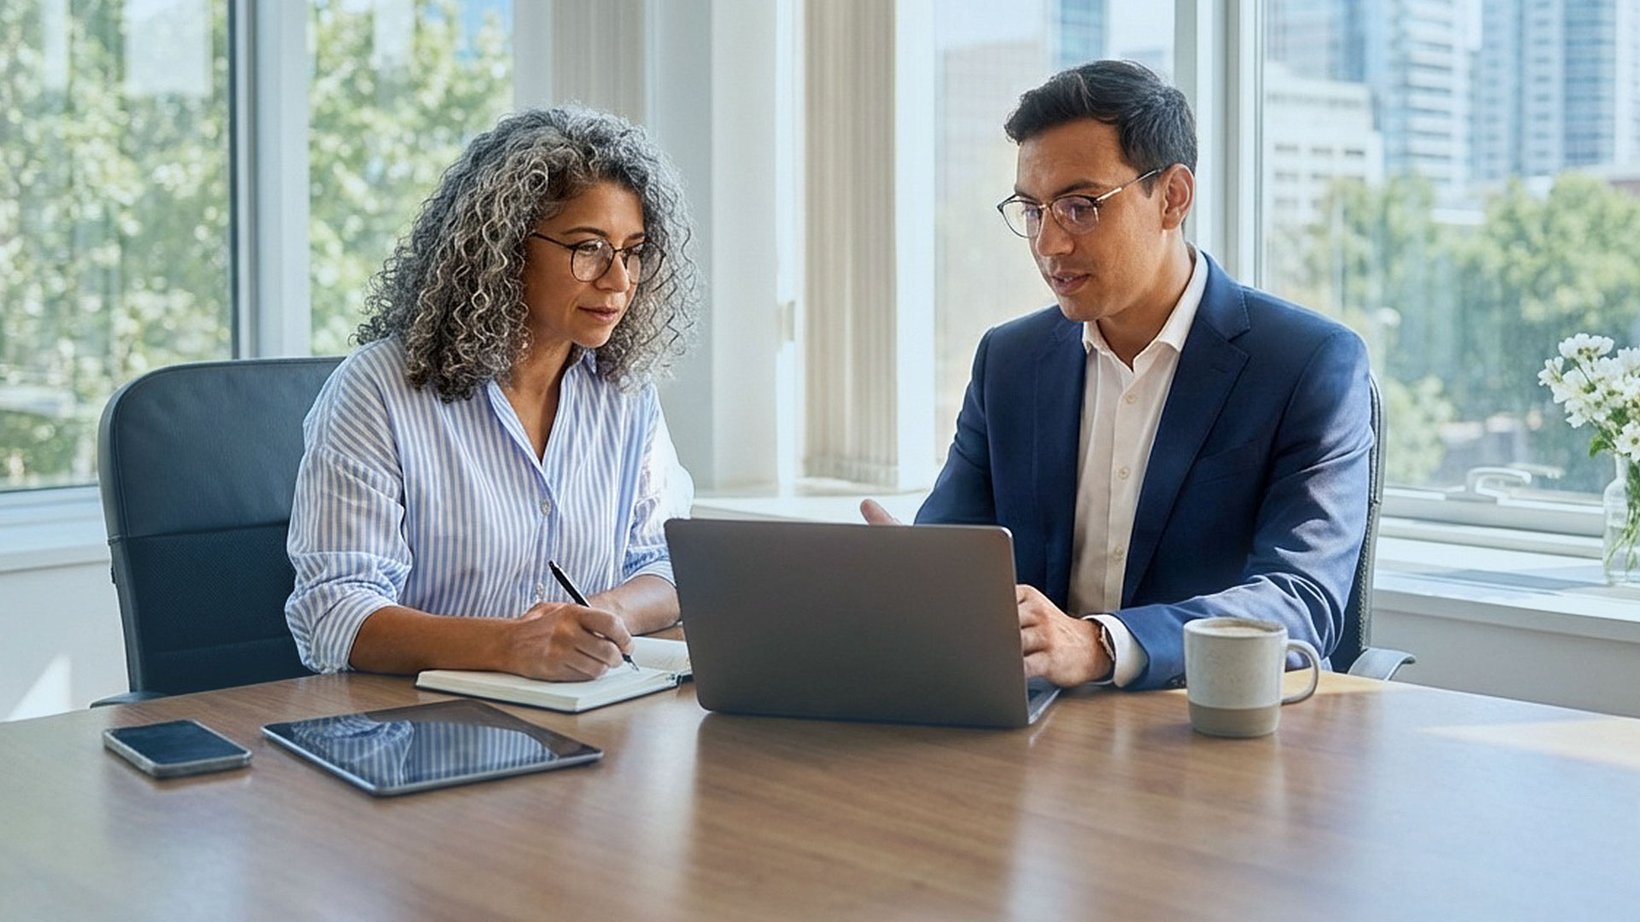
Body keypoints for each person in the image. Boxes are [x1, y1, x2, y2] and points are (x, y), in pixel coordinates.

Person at [864, 60, 1371, 691]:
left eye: (1079, 207)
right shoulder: (1009, 362)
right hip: (1031, 730)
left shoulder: (1307, 363)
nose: (1048, 243)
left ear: (1173, 197)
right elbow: (955, 550)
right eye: (1032, 209)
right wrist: (909, 575)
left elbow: (1300, 602)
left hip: (1195, 730)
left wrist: (1101, 643)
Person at [286, 106, 700, 682]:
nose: (619, 280)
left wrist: (599, 615)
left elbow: (667, 565)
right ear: (503, 247)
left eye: (632, 251)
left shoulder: (623, 394)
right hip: (416, 730)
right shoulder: (377, 390)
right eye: (589, 248)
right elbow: (335, 613)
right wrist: (514, 645)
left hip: (583, 717)